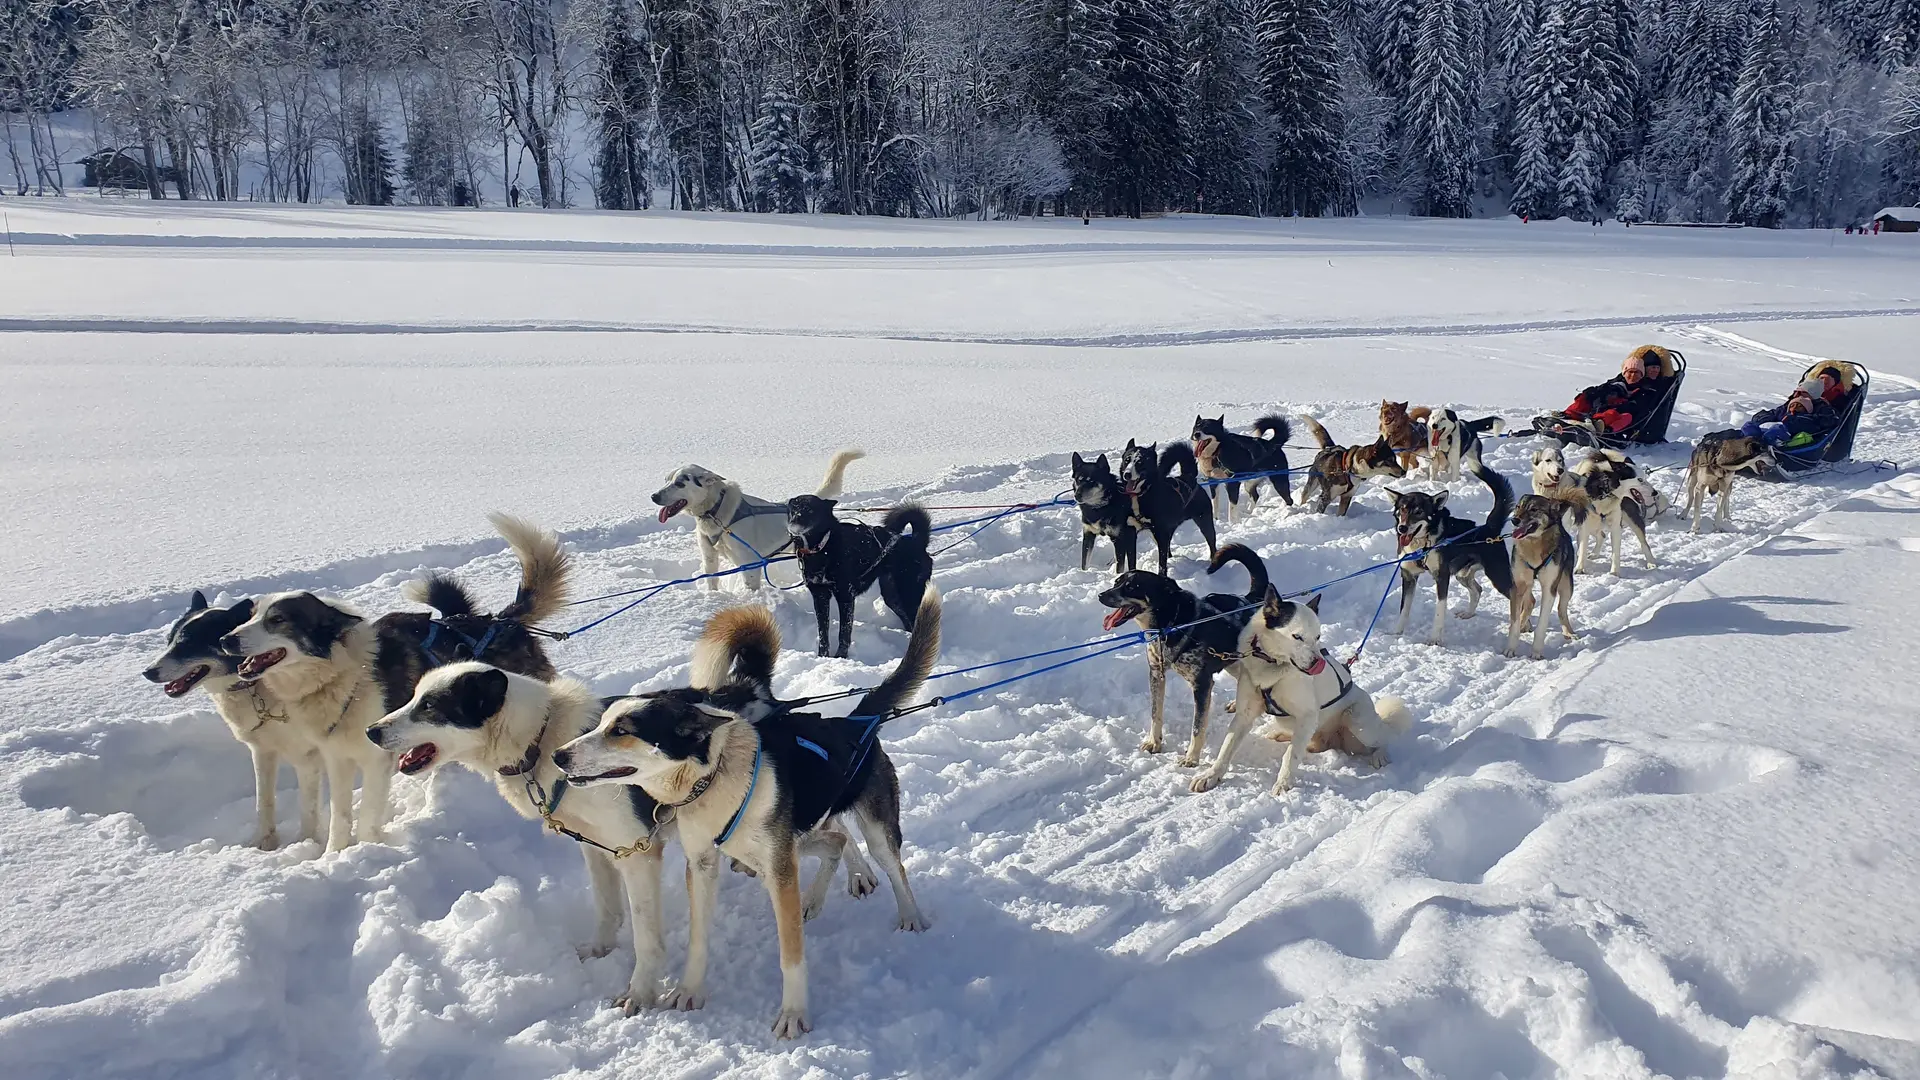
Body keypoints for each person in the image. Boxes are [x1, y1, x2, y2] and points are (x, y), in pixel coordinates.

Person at [1547, 345, 1677, 435]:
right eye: (1651, 367)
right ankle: (1567, 415)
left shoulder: (1653, 387)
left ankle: (1597, 427)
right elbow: (1606, 387)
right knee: (1585, 398)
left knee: (1617, 414)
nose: (1654, 370)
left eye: (1656, 368)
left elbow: (1640, 405)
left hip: (1624, 414)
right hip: (1605, 406)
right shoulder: (1622, 378)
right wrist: (1592, 393)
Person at [1740, 381, 1838, 449]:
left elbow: (1826, 423)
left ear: (1813, 394)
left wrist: (1789, 422)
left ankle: (1761, 447)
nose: (1797, 395)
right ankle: (1745, 444)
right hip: (1770, 430)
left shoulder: (1821, 409)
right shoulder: (1790, 404)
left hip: (1794, 436)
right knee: (1748, 426)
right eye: (1796, 392)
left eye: (1802, 393)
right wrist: (1760, 420)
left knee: (1777, 430)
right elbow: (1773, 413)